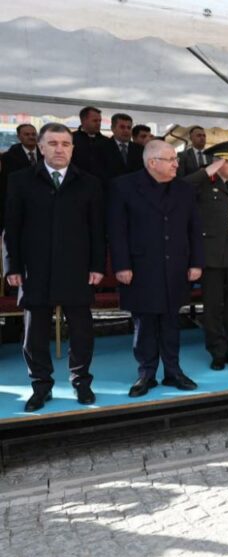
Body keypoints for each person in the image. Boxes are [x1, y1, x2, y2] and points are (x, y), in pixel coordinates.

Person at [3, 123, 105, 411]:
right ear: (41, 147)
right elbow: (12, 227)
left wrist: (97, 265)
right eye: (53, 143)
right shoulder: (20, 180)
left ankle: (82, 383)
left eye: (65, 143)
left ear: (73, 148)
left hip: (77, 269)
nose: (60, 149)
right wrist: (12, 266)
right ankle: (40, 386)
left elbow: (97, 229)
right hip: (35, 270)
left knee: (83, 332)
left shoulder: (90, 183)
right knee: (33, 335)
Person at [108, 140, 204, 397]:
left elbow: (194, 228)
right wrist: (122, 265)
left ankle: (173, 371)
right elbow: (117, 231)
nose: (176, 163)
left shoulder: (184, 189)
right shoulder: (124, 186)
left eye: (176, 159)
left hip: (176, 266)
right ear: (152, 163)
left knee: (172, 321)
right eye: (171, 159)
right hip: (140, 267)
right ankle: (146, 373)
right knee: (145, 323)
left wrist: (196, 262)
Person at [181, 141, 228, 370]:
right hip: (211, 255)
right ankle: (217, 350)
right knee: (213, 306)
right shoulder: (203, 184)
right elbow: (180, 187)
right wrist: (207, 171)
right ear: (217, 162)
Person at [0, 124, 39, 228]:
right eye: (27, 134)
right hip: (21, 204)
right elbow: (6, 184)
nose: (31, 137)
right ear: (19, 137)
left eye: (33, 134)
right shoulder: (9, 157)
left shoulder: (46, 154)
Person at [71, 106, 112, 181]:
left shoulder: (106, 142)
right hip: (76, 183)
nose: (98, 123)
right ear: (83, 120)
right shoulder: (71, 139)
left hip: (100, 185)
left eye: (100, 121)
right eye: (95, 121)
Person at [104, 113, 144, 178]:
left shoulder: (140, 149)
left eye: (129, 128)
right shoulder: (101, 148)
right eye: (122, 127)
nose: (126, 131)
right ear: (113, 128)